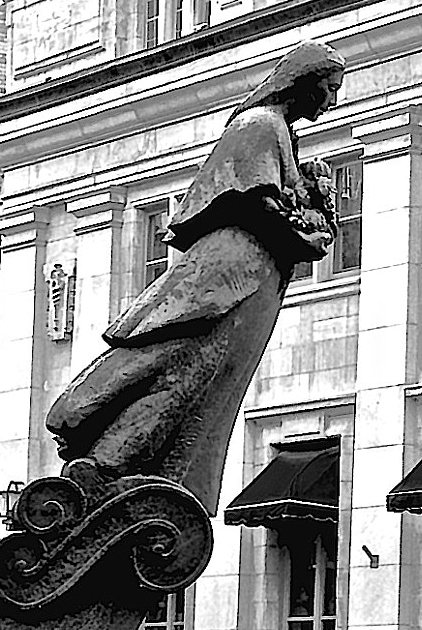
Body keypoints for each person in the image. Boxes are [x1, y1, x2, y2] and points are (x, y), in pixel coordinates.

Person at [46, 42, 345, 508]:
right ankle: (108, 457)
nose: (330, 101)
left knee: (208, 383)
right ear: (302, 81)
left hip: (254, 275)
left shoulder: (282, 135)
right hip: (230, 272)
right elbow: (254, 200)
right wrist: (301, 236)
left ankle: (144, 472)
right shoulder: (259, 125)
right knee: (184, 364)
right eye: (328, 88)